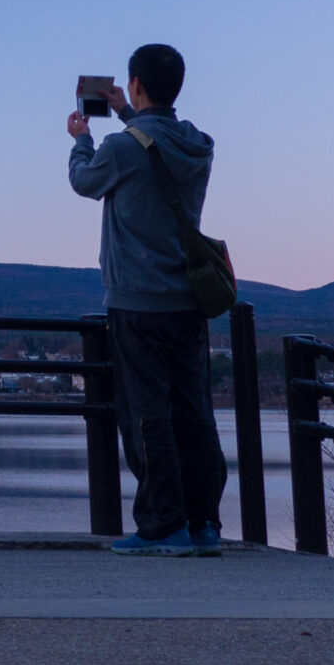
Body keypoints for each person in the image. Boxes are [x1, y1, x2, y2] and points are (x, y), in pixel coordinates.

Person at [68, 42, 225, 557]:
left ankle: (162, 527)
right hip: (189, 302)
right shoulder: (198, 145)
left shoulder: (120, 148)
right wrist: (127, 112)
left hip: (136, 303)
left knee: (146, 416)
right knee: (194, 415)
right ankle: (203, 525)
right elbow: (156, 145)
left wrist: (82, 139)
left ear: (135, 84)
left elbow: (83, 182)